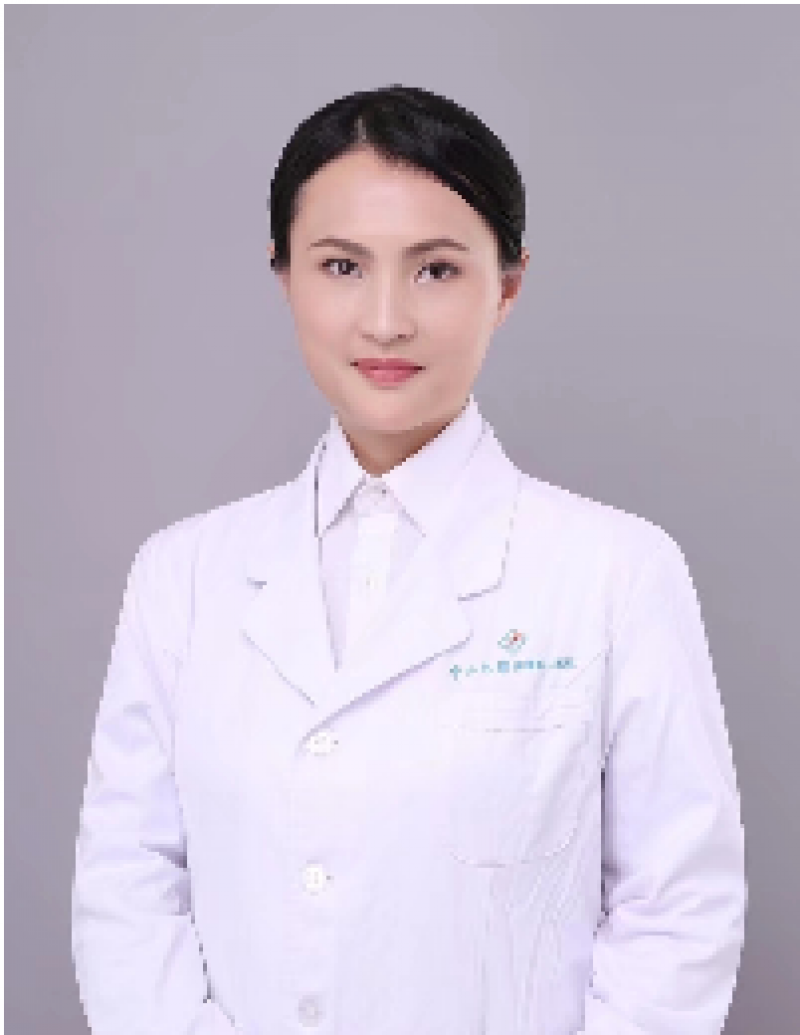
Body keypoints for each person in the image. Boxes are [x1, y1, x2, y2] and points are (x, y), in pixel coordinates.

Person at [71, 85, 746, 1035]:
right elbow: (129, 885)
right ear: (284, 276)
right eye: (342, 265)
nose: (385, 320)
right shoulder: (179, 577)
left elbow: (678, 910)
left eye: (435, 269)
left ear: (506, 286)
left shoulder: (618, 572)